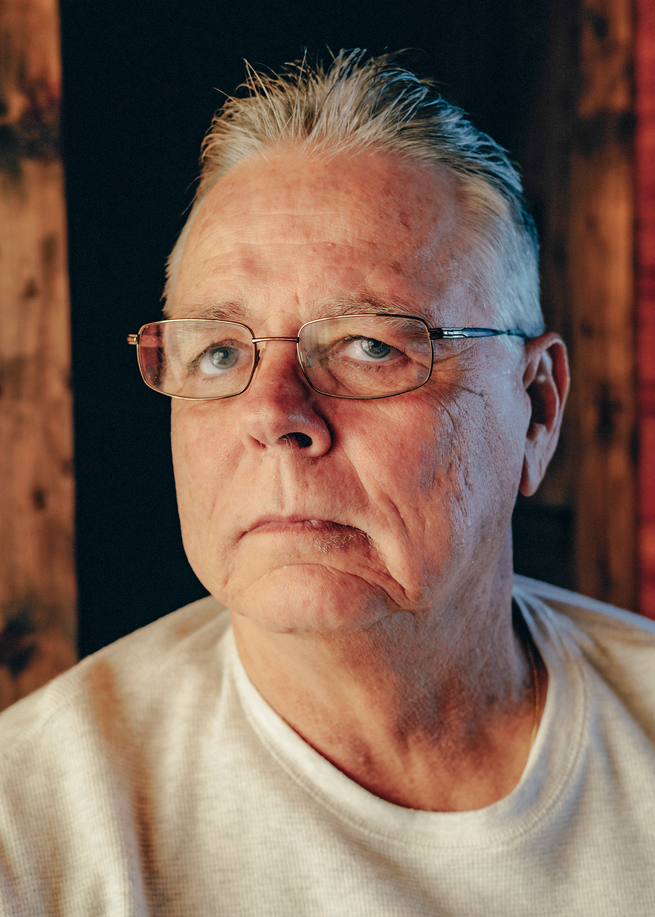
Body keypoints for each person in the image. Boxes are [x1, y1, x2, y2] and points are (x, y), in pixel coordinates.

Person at [1, 49, 654, 916]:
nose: (273, 413)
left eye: (370, 345)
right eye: (221, 351)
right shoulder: (33, 828)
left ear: (535, 411)